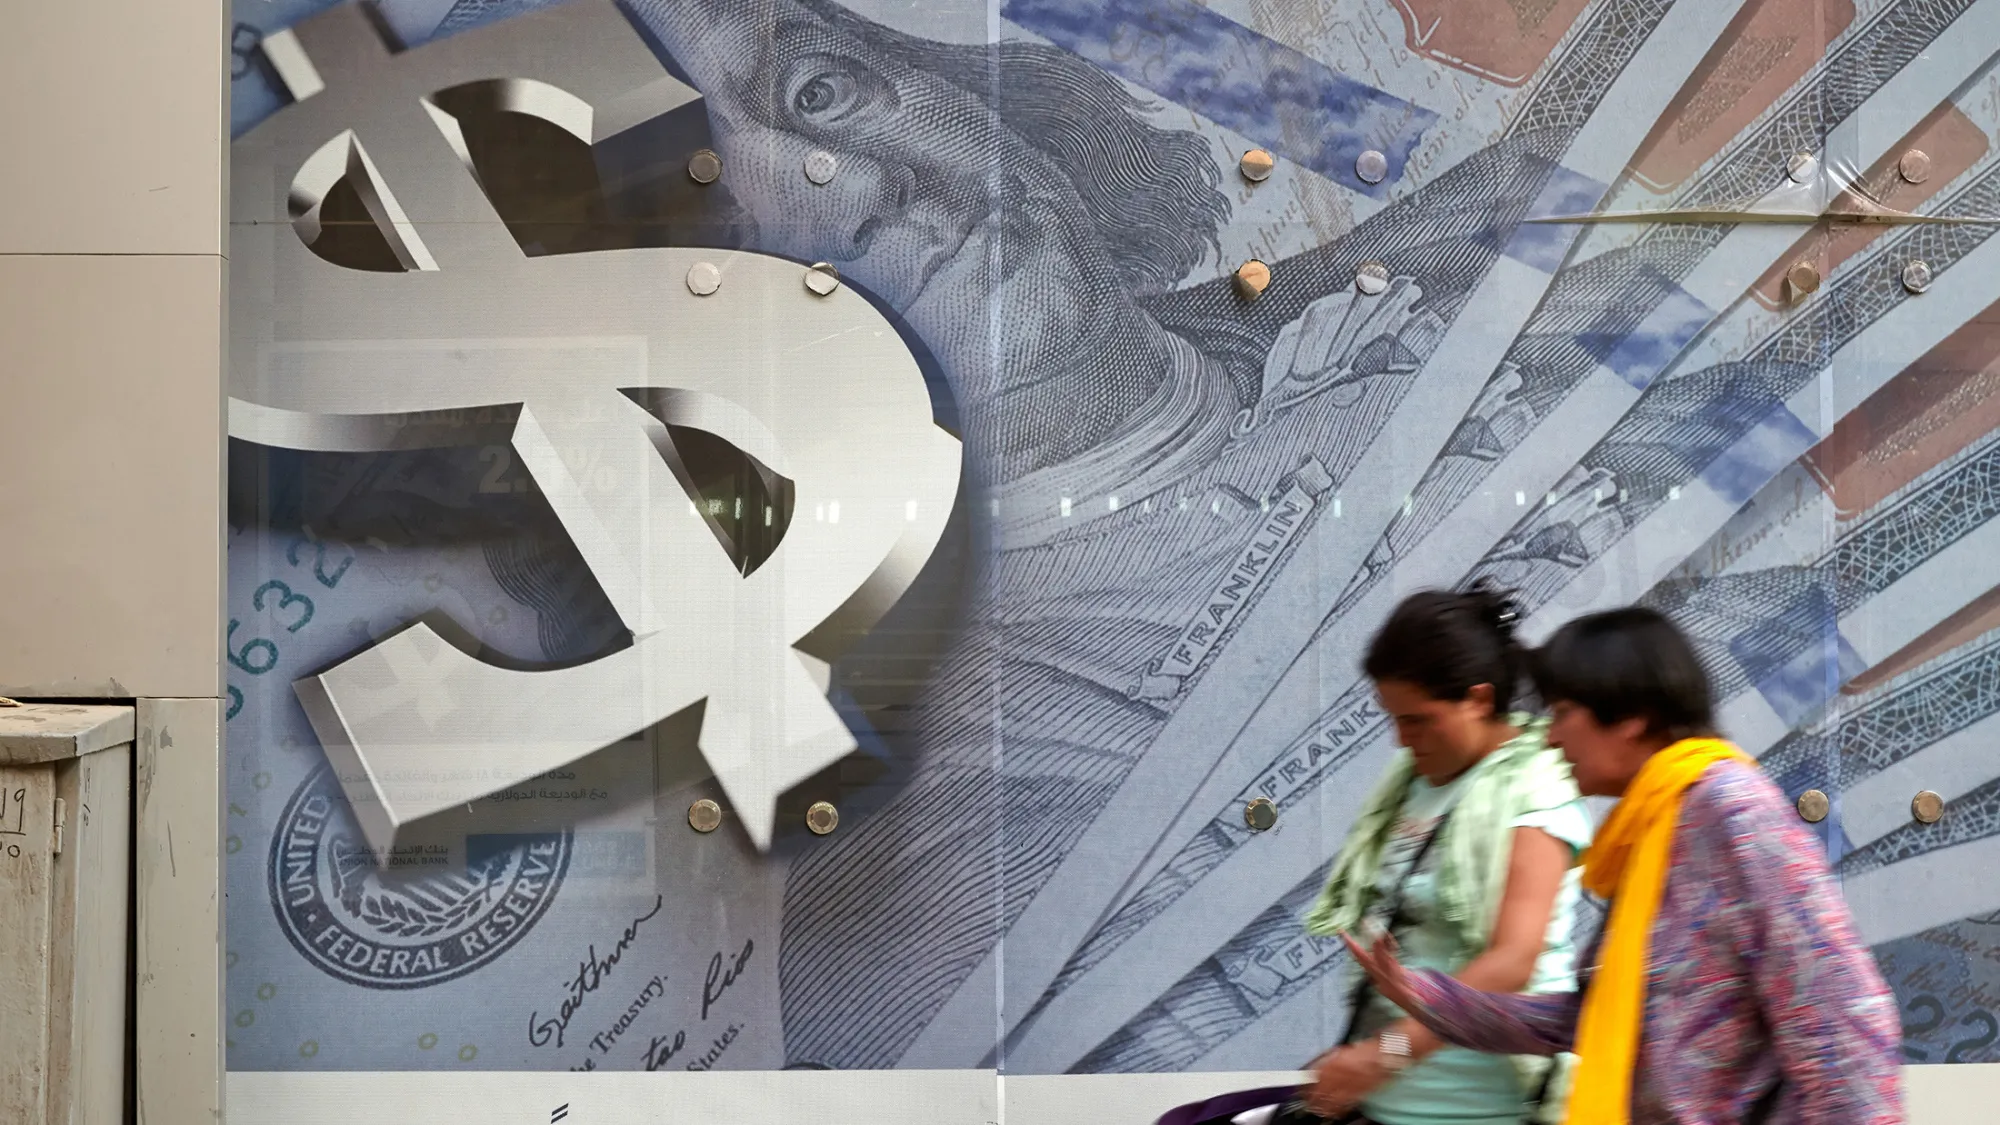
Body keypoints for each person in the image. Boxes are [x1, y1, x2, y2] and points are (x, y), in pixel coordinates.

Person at [1342, 606, 1905, 1125]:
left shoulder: (1730, 812)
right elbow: (1585, 1019)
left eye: (1563, 712)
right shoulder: (1654, 823)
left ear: (1632, 716)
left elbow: (1840, 1016)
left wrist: (1390, 1047)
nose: (1553, 736)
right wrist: (1427, 995)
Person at [1294, 583, 1592, 1124]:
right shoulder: (1411, 781)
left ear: (1478, 700)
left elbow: (1511, 964)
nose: (1401, 741)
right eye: (1393, 718)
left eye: (1417, 719)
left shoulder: (1536, 787)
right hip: (1388, 1105)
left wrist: (1382, 1058)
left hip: (1479, 1110)